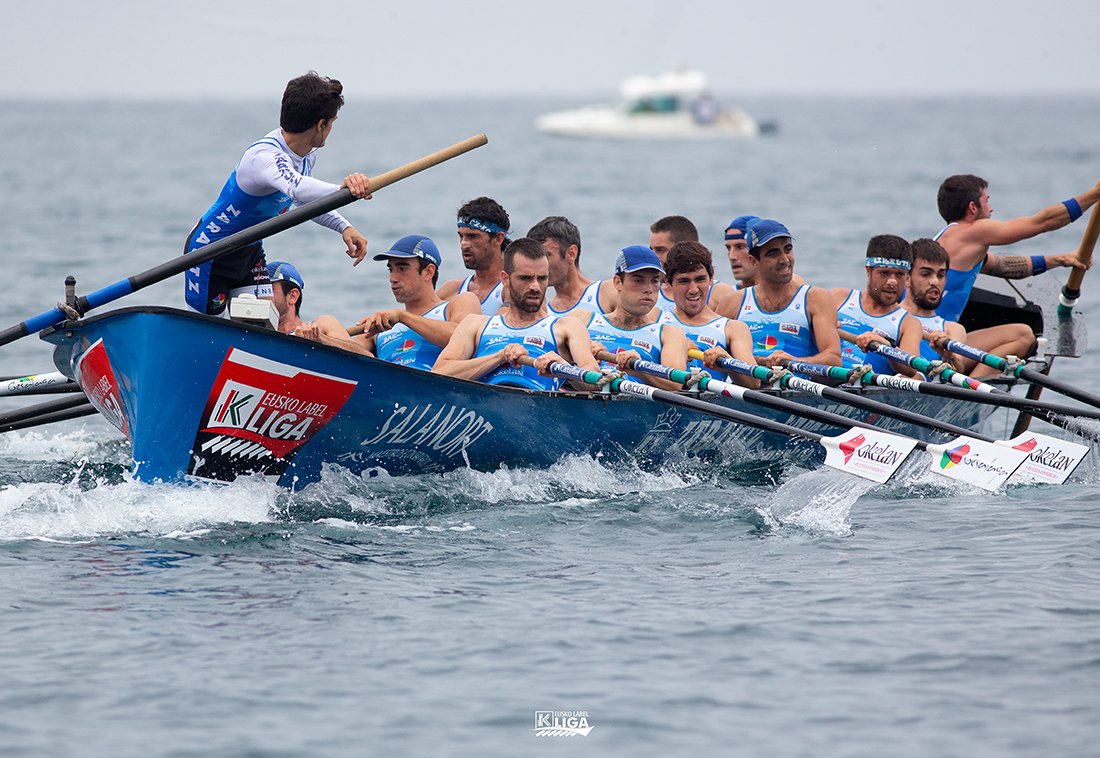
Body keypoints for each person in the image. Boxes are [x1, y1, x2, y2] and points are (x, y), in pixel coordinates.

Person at [183, 72, 371, 315]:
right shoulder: (264, 157)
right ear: (321, 125)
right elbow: (297, 187)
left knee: (262, 324)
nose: (331, 129)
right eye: (332, 122)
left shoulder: (306, 154)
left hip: (249, 250)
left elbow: (304, 200)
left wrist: (344, 227)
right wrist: (345, 189)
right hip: (209, 253)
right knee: (207, 332)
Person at [433, 237, 598, 390]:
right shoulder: (476, 325)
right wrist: (499, 357)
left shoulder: (566, 326)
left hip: (539, 407)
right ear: (505, 279)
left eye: (542, 278)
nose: (535, 286)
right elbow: (439, 373)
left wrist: (565, 368)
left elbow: (595, 380)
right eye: (525, 278)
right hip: (483, 404)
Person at [932, 174, 1100, 321]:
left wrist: (1060, 260)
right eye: (987, 201)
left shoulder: (951, 240)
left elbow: (1004, 266)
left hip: (935, 331)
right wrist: (1095, 194)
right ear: (973, 207)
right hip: (932, 339)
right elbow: (1044, 222)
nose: (991, 208)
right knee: (1023, 335)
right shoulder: (973, 232)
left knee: (1020, 334)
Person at [904, 238, 1036, 378]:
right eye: (925, 274)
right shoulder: (894, 315)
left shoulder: (953, 329)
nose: (935, 281)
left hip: (934, 385)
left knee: (1023, 333)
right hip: (900, 382)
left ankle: (973, 386)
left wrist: (949, 355)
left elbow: (958, 368)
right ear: (907, 278)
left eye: (941, 275)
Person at [722, 220, 842, 368]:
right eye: (774, 253)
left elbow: (834, 359)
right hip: (750, 381)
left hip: (798, 380)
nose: (785, 259)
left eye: (787, 249)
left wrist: (795, 361)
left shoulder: (816, 299)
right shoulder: (731, 304)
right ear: (754, 261)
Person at [355, 235, 481, 370]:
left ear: (429, 272)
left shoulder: (459, 303)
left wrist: (402, 317)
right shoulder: (377, 329)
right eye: (391, 270)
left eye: (402, 269)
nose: (393, 278)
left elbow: (466, 340)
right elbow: (348, 359)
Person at [583, 245, 691, 391]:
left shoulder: (669, 334)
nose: (648, 289)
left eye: (654, 281)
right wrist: (582, 354)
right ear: (617, 282)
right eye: (638, 281)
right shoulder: (585, 321)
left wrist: (640, 370)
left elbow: (675, 385)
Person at [661, 242, 759, 388]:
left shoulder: (733, 328)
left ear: (711, 278)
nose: (693, 289)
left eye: (700, 279)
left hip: (713, 401)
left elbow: (754, 383)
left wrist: (728, 362)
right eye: (684, 281)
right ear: (668, 282)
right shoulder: (656, 321)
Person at [830, 236, 922, 377]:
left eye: (899, 275)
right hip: (825, 378)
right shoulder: (839, 297)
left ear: (907, 278)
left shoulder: (909, 323)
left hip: (864, 386)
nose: (892, 282)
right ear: (868, 271)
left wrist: (885, 345)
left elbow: (910, 369)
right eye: (884, 273)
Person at [267, 261, 370, 354]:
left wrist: (321, 339)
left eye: (268, 290)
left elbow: (367, 356)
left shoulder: (323, 324)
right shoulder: (259, 332)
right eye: (259, 289)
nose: (261, 296)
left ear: (292, 296)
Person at [527, 215, 617, 317]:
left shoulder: (607, 292)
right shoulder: (544, 312)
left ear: (571, 254)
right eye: (535, 258)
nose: (539, 265)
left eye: (546, 256)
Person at [437, 196, 511, 315]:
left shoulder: (512, 288)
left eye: (473, 236)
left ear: (498, 239)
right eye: (461, 236)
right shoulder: (452, 290)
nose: (463, 244)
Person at [648, 215, 735, 313]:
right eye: (651, 250)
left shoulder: (721, 294)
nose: (653, 257)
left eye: (660, 250)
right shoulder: (648, 295)